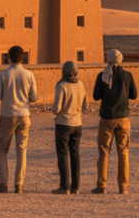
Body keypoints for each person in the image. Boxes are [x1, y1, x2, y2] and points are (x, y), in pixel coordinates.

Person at [0, 45, 38, 194]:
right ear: (23, 57)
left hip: (7, 115)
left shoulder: (3, 74)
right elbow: (34, 97)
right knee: (21, 150)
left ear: (8, 57)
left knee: (2, 149)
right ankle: (19, 184)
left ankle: (3, 184)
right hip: (24, 115)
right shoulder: (29, 75)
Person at [92, 49, 137, 194]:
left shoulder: (102, 76)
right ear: (120, 59)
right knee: (123, 152)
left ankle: (102, 186)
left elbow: (96, 96)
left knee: (104, 152)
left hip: (106, 118)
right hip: (123, 118)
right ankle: (123, 187)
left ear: (108, 59)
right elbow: (134, 95)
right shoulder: (127, 75)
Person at [51, 60, 88, 195]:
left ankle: (64, 186)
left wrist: (56, 110)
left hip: (63, 124)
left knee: (62, 155)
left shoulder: (61, 86)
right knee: (75, 155)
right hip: (78, 124)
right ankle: (75, 187)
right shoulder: (81, 85)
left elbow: (56, 108)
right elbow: (85, 107)